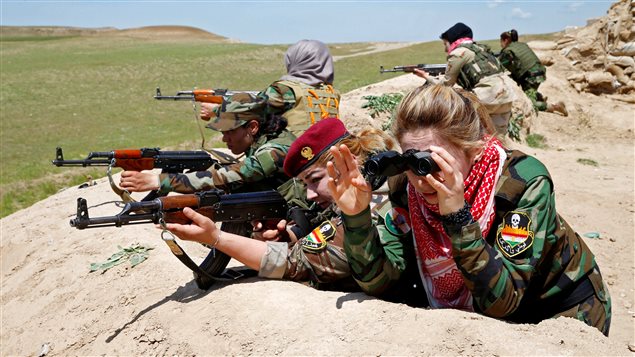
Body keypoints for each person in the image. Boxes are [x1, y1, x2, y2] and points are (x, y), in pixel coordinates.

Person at [327, 84, 611, 335]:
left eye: (435, 162)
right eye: (412, 163)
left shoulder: (521, 182)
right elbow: (380, 284)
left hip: (559, 306)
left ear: (474, 151)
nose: (422, 179)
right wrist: (357, 218)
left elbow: (503, 301)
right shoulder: (405, 186)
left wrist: (458, 217)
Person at [160, 117, 411, 292]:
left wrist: (217, 237)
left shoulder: (375, 203)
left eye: (315, 180)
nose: (311, 195)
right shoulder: (377, 183)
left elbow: (294, 262)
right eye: (305, 184)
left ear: (349, 160)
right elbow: (317, 226)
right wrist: (289, 233)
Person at [119, 92, 294, 195]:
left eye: (230, 132)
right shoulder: (264, 140)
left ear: (253, 127)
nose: (225, 139)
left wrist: (159, 181)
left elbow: (229, 176)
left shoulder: (274, 152)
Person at [200, 39, 340, 137]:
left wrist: (215, 110)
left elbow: (250, 109)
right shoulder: (331, 93)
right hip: (327, 155)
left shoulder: (285, 90)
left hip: (296, 161)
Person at [413, 22, 516, 136]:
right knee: (498, 137)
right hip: (507, 96)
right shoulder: (481, 49)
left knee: (469, 132)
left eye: (445, 44)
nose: (445, 49)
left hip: (487, 97)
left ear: (452, 40)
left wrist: (425, 76)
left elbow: (446, 84)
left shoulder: (458, 53)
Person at [499, 29, 568, 116]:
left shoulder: (508, 50)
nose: (500, 44)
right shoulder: (522, 45)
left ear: (505, 40)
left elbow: (499, 64)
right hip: (539, 73)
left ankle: (555, 107)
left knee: (528, 104)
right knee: (515, 80)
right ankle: (539, 97)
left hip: (531, 77)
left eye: (501, 41)